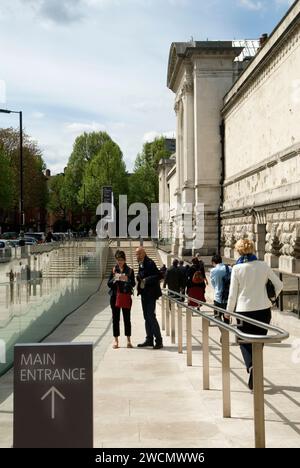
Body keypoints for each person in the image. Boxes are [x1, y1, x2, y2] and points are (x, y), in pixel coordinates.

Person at [225, 239, 283, 390]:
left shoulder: (237, 268)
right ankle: (255, 368)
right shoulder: (263, 265)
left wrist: (228, 312)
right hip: (263, 309)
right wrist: (271, 299)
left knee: (243, 341)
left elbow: (232, 294)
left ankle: (251, 367)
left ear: (238, 251)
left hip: (244, 311)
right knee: (259, 342)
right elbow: (279, 284)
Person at [136, 247, 163, 349]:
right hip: (144, 294)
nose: (136, 256)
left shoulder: (150, 263)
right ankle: (149, 339)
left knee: (151, 316)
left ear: (143, 253)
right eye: (136, 254)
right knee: (146, 317)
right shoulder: (141, 263)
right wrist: (139, 276)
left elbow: (158, 275)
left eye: (138, 254)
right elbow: (142, 274)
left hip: (151, 294)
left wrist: (146, 280)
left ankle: (159, 341)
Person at [107, 250, 135, 349]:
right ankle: (116, 340)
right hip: (115, 297)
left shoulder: (130, 270)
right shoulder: (114, 269)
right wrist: (115, 278)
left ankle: (128, 340)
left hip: (126, 296)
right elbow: (108, 284)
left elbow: (134, 284)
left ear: (125, 260)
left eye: (122, 260)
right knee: (116, 319)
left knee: (127, 319)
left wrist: (127, 279)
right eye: (118, 260)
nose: (120, 262)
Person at [210, 254, 232, 324]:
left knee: (217, 317)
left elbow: (213, 284)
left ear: (213, 262)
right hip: (227, 298)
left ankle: (223, 332)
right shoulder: (229, 269)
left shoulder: (213, 270)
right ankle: (226, 331)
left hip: (218, 298)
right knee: (226, 318)